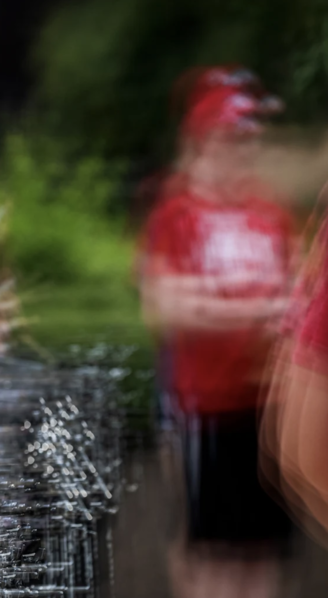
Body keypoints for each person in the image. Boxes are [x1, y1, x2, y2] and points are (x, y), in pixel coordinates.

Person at [139, 80, 296, 598]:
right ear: (204, 140)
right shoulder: (177, 214)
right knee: (212, 550)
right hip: (208, 406)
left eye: (251, 137)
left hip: (267, 409)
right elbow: (165, 306)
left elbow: (297, 299)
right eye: (234, 136)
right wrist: (260, 310)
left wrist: (231, 308)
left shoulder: (270, 213)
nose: (246, 148)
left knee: (264, 548)